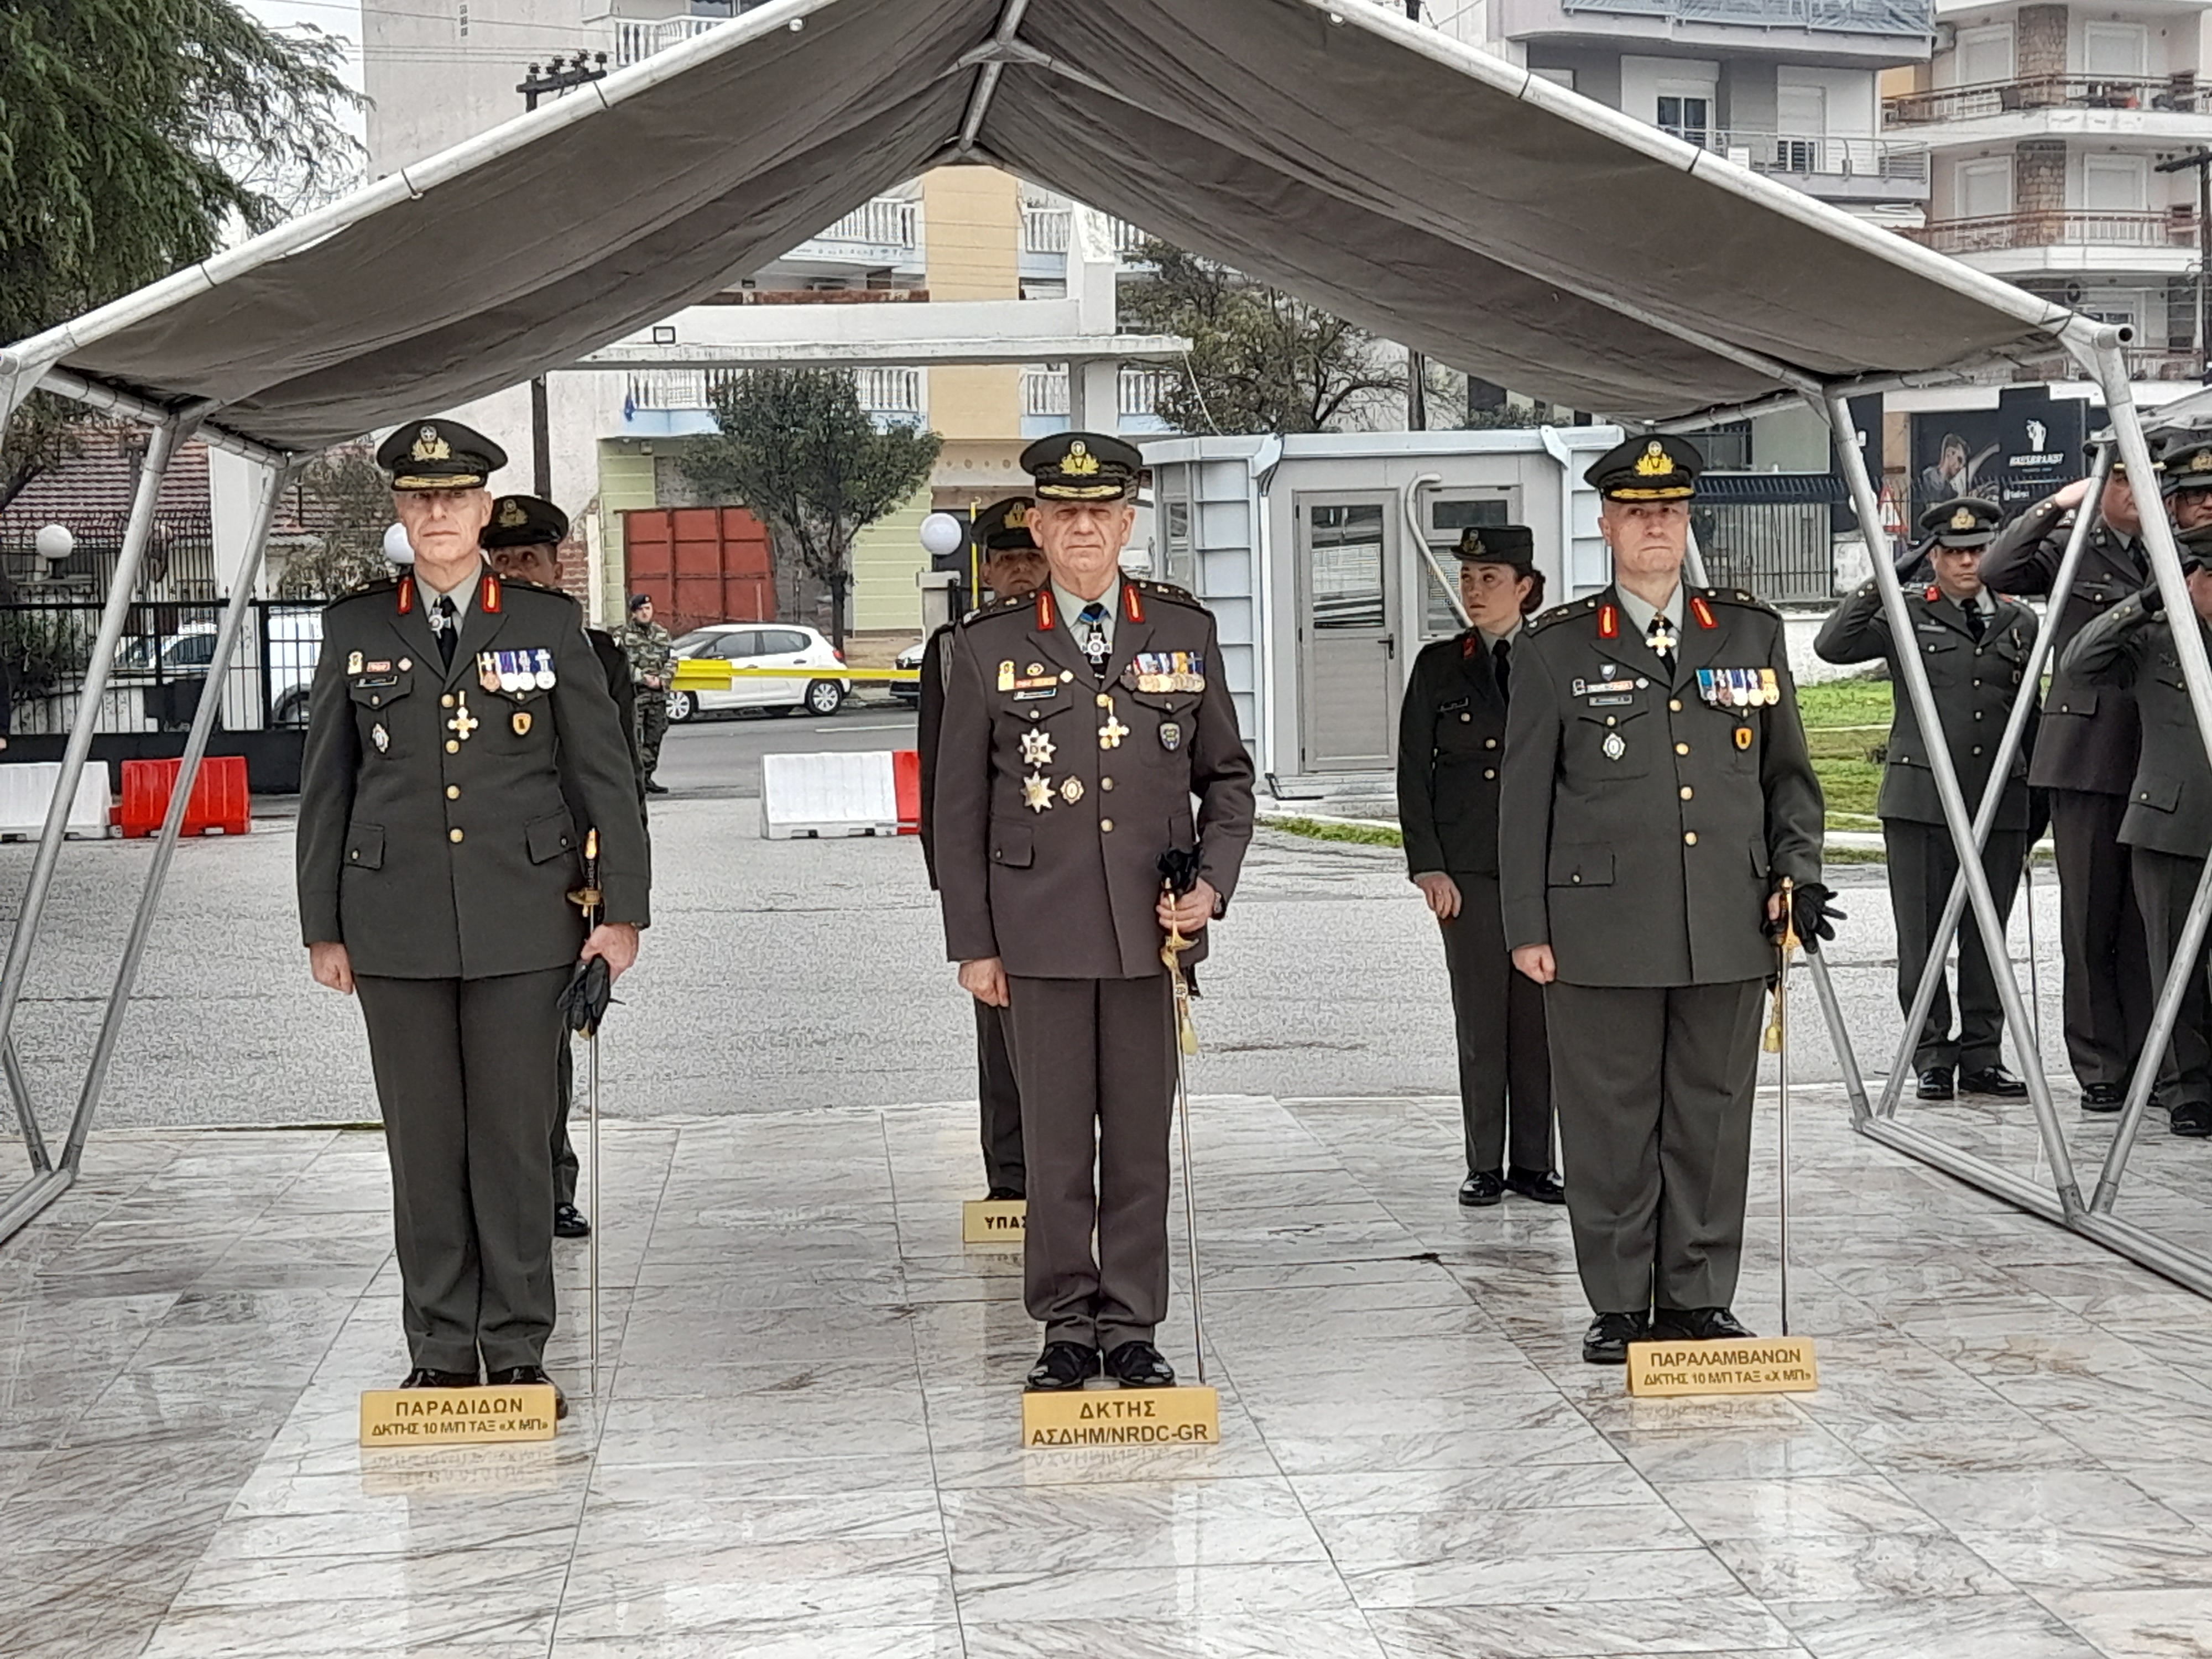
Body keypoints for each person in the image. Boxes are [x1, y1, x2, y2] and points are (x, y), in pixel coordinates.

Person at [298, 420, 649, 1411]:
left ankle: (519, 1341)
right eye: (420, 500)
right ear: (402, 514)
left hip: (524, 920)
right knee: (423, 1145)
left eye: (455, 499)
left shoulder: (545, 622)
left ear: (484, 513)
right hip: (394, 921)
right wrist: (323, 924)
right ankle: (442, 1346)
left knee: (508, 1140)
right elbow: (331, 785)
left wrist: (621, 913)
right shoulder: (357, 628)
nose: (439, 514)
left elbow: (603, 779)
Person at [933, 432, 1255, 1391]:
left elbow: (1228, 781)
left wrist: (1215, 884)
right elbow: (958, 812)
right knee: (1058, 1145)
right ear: (1037, 523)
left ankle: (1135, 1324)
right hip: (1038, 935)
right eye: (1063, 512)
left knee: (1142, 1143)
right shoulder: (989, 646)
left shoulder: (1182, 632)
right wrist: (973, 944)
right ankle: (1067, 1327)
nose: (1083, 528)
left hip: (1153, 936)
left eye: (1102, 512)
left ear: (1126, 524)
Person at [1499, 435, 1830, 1365]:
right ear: (1605, 525)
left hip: (1727, 920)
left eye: (1672, 512)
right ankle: (1619, 1302)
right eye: (1638, 513)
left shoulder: (1749, 635)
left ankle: (1696, 1297)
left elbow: (1788, 781)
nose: (1656, 526)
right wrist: (1527, 925)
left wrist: (1795, 877)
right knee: (1609, 1123)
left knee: (1712, 1118)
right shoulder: (1556, 647)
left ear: (1689, 524)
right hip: (1598, 927)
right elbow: (1523, 801)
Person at [1814, 498, 2038, 1102]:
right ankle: (1931, 1053)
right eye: (1953, 552)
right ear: (1933, 557)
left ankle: (1982, 1055)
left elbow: (2029, 716)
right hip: (1921, 802)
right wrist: (1890, 576)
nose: (1967, 562)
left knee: (1988, 935)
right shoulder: (1906, 615)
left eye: (1977, 551)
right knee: (1922, 937)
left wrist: (2035, 800)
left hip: (1997, 800)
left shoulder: (2020, 622)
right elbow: (1832, 645)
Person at [481, 492, 644, 1240]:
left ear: (556, 564)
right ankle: (506, 1185)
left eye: (529, 559)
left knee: (550, 1038)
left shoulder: (596, 654)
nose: (517, 570)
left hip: (566, 867)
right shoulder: (472, 645)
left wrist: (614, 886)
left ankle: (553, 1183)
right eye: (504, 559)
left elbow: (611, 775)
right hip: (493, 863)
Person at [1984, 444, 2155, 1110]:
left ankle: (2152, 1059)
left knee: (2147, 923)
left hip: (2154, 754)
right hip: (2085, 755)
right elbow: (2000, 568)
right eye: (2118, 478)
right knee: (2090, 919)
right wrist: (2057, 505)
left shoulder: (2167, 549)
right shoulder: (2072, 547)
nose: (2133, 490)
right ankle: (2100, 1065)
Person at [1396, 524, 1562, 1208]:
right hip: (1467, 875)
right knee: (1481, 1022)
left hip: (1545, 872)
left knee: (1538, 1024)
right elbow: (1413, 774)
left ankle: (1532, 1162)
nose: (1474, 590)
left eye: (1489, 578)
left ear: (1524, 586)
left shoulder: (1553, 661)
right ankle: (1483, 1163)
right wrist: (1427, 867)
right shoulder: (1440, 666)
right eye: (1466, 578)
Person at [2063, 435, 2212, 1138]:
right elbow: (2079, 662)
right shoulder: (2154, 636)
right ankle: (2187, 1090)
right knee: (2170, 964)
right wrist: (2152, 600)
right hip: (2167, 816)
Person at [917, 497, 1049, 1203]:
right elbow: (943, 778)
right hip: (998, 878)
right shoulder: (956, 647)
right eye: (1008, 561)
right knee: (1000, 1040)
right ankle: (1011, 1181)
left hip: (1070, 873)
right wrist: (955, 889)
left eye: (1032, 557)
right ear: (988, 570)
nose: (1022, 573)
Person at [619, 593, 676, 795]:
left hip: (658, 695)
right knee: (636, 739)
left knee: (655, 735)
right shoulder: (623, 636)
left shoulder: (661, 633)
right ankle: (635, 780)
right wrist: (643, 678)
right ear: (634, 613)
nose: (645, 613)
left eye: (648, 609)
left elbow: (672, 660)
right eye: (641, 610)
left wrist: (663, 679)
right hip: (636, 694)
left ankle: (648, 777)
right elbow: (622, 665)